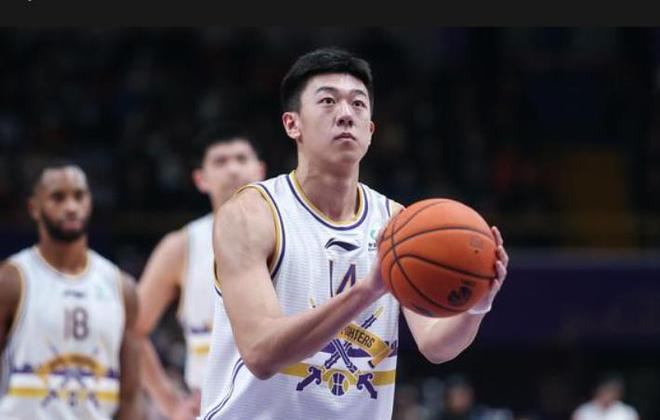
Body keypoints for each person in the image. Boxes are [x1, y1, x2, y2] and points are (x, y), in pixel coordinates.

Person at [200, 47, 509, 419]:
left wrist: (476, 304)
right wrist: (368, 289)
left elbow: (436, 346)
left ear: (370, 131)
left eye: (358, 104)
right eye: (328, 101)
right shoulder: (251, 214)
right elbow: (262, 353)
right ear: (292, 124)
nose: (346, 113)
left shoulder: (397, 222)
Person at [135, 125, 266, 420]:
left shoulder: (294, 235)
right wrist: (169, 403)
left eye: (241, 159)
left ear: (260, 171)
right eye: (220, 161)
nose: (233, 169)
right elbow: (132, 330)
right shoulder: (183, 246)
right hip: (211, 409)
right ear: (200, 179)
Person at [0, 162, 142, 419]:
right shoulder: (11, 281)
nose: (71, 207)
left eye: (79, 196)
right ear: (34, 208)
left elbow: (130, 396)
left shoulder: (122, 287)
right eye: (58, 197)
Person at [572, 374, 639, 420]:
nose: (607, 395)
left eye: (611, 391)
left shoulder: (627, 412)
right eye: (605, 390)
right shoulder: (583, 411)